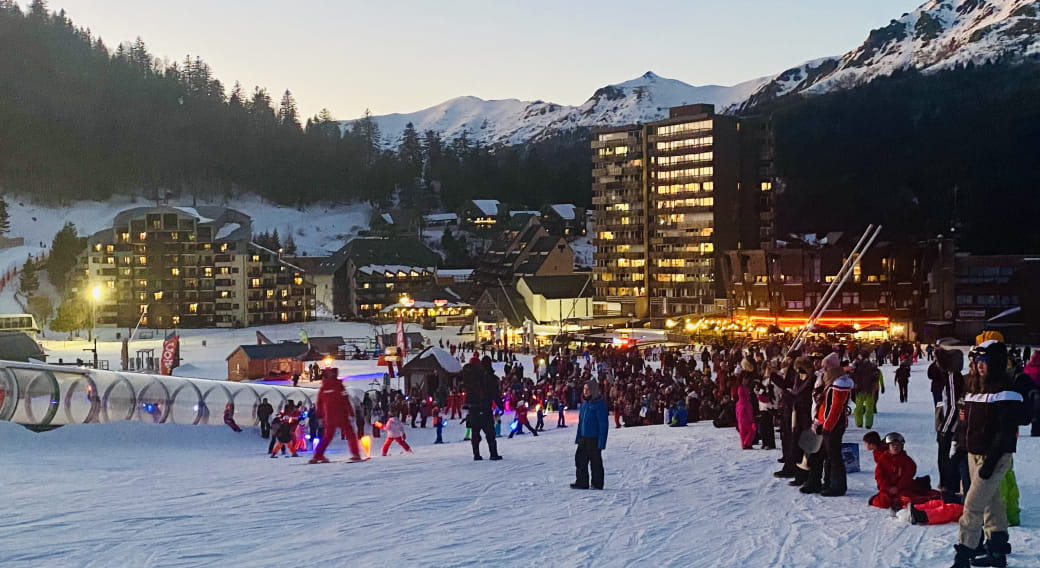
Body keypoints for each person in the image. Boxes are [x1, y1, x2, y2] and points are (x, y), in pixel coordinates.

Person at [949, 340, 1023, 568]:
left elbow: (1006, 431)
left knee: (972, 505)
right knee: (993, 504)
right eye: (978, 361)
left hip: (995, 457)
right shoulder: (974, 387)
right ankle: (997, 552)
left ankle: (963, 556)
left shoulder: (1007, 391)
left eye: (985, 361)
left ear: (997, 363)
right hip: (973, 454)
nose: (980, 366)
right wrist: (960, 447)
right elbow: (965, 424)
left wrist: (991, 460)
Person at [310, 368, 363, 464]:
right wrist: (351, 412)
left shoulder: (323, 388)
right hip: (341, 415)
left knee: (327, 437)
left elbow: (319, 403)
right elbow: (345, 400)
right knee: (350, 434)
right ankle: (355, 454)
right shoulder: (339, 386)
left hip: (329, 417)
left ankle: (317, 455)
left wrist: (320, 416)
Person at [572, 379, 608, 490]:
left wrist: (601, 443)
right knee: (580, 459)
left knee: (595, 462)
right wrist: (578, 437)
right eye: (584, 389)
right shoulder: (585, 404)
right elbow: (580, 422)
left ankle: (597, 483)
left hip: (594, 438)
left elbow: (603, 425)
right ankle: (582, 482)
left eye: (588, 389)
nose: (585, 391)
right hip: (584, 438)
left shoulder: (599, 405)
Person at [462, 362, 502, 461]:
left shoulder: (471, 380)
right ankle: (493, 454)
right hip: (485, 408)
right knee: (490, 433)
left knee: (475, 433)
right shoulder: (487, 379)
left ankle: (476, 454)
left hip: (473, 410)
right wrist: (500, 406)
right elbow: (494, 394)